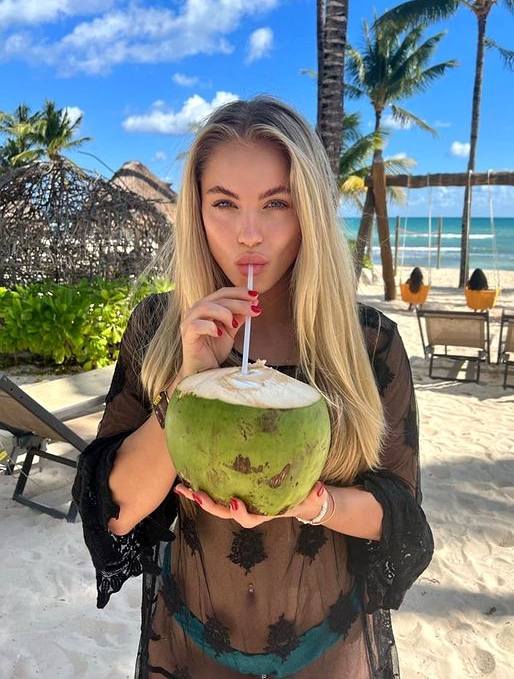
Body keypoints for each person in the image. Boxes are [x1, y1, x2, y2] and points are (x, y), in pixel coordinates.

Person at [72, 96, 433, 679]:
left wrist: (314, 504)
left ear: (309, 212)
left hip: (326, 645)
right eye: (224, 203)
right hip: (191, 643)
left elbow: (397, 513)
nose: (248, 235)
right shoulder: (157, 328)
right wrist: (189, 381)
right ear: (197, 211)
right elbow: (117, 512)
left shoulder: (368, 342)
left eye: (276, 204)